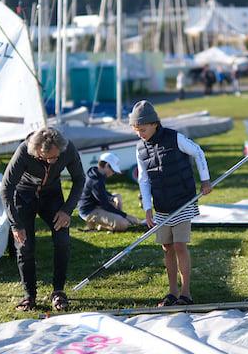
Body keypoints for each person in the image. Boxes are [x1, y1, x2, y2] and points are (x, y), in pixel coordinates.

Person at [130, 100, 212, 307]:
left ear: (154, 123)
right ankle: (172, 292)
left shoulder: (175, 138)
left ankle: (186, 293)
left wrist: (205, 180)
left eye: (143, 129)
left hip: (183, 201)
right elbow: (144, 180)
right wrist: (148, 208)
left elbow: (198, 152)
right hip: (162, 206)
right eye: (136, 130)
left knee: (179, 245)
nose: (140, 134)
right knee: (167, 248)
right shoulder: (140, 149)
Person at [0, 127, 85, 312]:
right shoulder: (24, 151)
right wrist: (16, 225)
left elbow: (79, 179)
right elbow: (6, 189)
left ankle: (59, 291)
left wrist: (67, 210)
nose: (52, 161)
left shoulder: (67, 148)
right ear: (37, 150)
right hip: (24, 195)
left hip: (51, 195)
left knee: (62, 240)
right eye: (47, 158)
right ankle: (29, 295)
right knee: (24, 245)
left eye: (56, 157)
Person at [78, 152, 140, 231]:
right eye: (113, 170)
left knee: (117, 196)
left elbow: (101, 194)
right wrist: (126, 216)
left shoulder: (96, 173)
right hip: (89, 211)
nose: (113, 173)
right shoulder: (96, 181)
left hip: (96, 205)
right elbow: (105, 205)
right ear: (107, 165)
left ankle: (107, 223)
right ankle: (112, 223)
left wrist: (112, 198)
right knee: (124, 224)